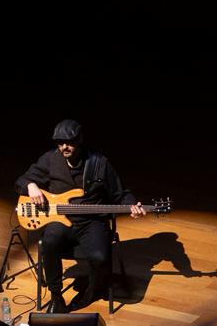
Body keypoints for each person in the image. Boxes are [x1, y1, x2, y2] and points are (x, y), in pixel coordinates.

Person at [16, 119, 144, 313]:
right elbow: (22, 180)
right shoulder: (50, 159)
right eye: (60, 142)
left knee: (100, 257)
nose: (64, 147)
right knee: (49, 243)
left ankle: (92, 292)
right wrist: (31, 186)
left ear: (80, 139)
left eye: (69, 142)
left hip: (91, 222)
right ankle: (56, 296)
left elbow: (120, 194)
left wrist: (132, 205)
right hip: (59, 220)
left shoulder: (99, 163)